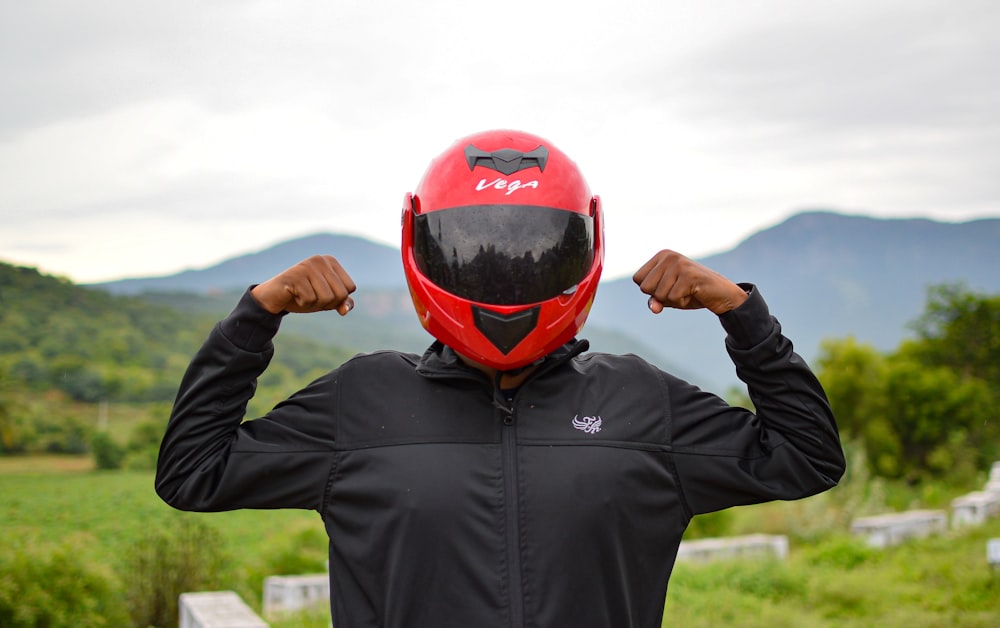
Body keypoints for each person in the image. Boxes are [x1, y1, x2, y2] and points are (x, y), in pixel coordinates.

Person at [156, 129, 845, 628]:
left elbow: (807, 457)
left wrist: (740, 313)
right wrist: (256, 317)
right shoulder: (361, 401)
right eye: (477, 247)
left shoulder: (641, 402)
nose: (505, 276)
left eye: (533, 250)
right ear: (421, 246)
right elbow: (192, 472)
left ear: (583, 250)